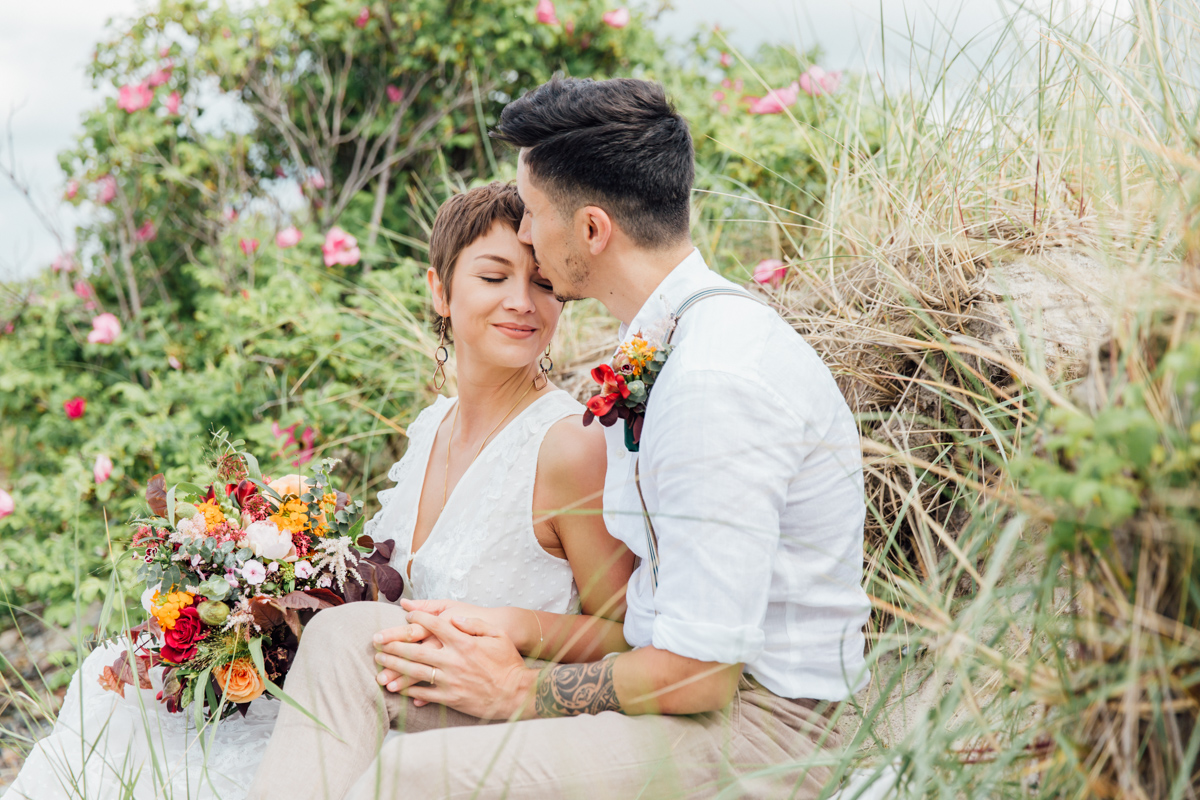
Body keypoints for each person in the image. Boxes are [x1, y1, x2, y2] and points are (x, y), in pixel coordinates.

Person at [247, 77, 871, 799]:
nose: (532, 248)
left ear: (593, 230)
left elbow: (702, 672)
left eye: (537, 218)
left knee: (415, 777)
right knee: (349, 641)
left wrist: (521, 690)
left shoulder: (712, 381)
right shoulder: (675, 336)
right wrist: (499, 626)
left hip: (764, 730)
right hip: (680, 689)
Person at [2, 182, 633, 800]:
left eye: (544, 283)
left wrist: (506, 632)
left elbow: (626, 633)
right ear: (440, 290)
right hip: (364, 691)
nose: (523, 301)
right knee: (117, 694)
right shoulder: (430, 426)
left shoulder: (568, 444)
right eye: (494, 277)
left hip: (460, 721)